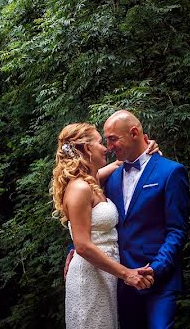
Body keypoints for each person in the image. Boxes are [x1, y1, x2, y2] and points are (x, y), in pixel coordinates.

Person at [51, 123, 155, 329]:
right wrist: (127, 273)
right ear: (87, 149)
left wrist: (148, 146)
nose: (106, 148)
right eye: (100, 142)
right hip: (89, 277)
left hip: (104, 275)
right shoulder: (79, 188)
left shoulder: (93, 181)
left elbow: (120, 163)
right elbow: (82, 245)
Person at [103, 110, 190, 329]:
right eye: (106, 141)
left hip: (159, 280)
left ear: (134, 133)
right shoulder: (111, 178)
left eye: (113, 139)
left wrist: (156, 268)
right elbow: (93, 220)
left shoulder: (171, 172)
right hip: (123, 281)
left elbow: (177, 230)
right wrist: (74, 247)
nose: (108, 147)